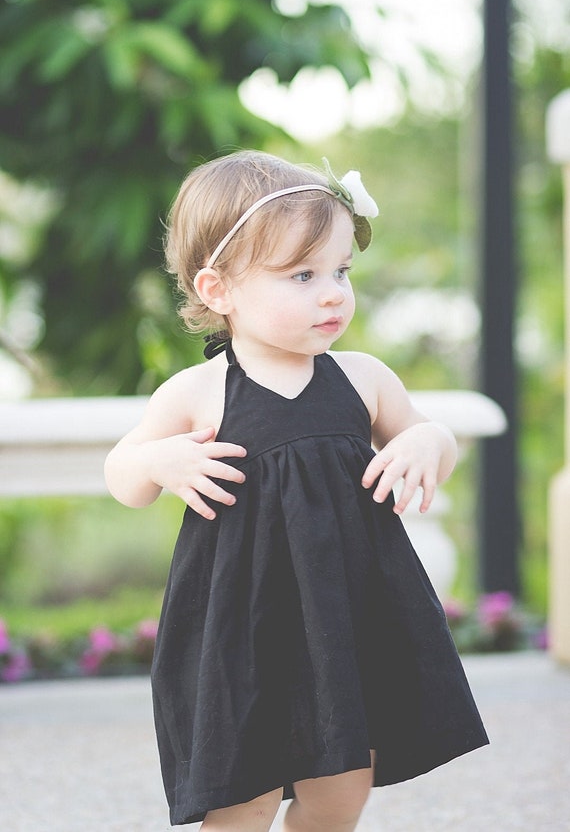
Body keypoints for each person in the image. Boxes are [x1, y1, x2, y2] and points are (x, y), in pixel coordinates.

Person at [104, 150, 488, 831]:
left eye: (341, 270)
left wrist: (427, 443)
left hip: (345, 616)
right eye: (302, 275)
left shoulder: (363, 378)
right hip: (239, 627)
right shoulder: (199, 392)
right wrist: (160, 460)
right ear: (219, 290)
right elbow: (124, 475)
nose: (333, 293)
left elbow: (429, 434)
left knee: (342, 786)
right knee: (241, 798)